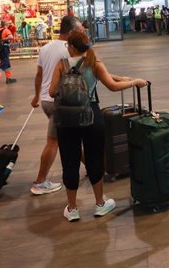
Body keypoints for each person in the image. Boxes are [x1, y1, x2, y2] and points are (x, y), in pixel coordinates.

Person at [48, 31, 147, 222]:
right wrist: (133, 82)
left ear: (71, 46)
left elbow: (52, 92)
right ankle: (100, 204)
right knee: (94, 159)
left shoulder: (62, 64)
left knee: (70, 161)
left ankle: (72, 208)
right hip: (91, 116)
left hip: (66, 120)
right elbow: (111, 85)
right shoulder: (94, 62)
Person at [30, 16, 84, 195]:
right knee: (54, 141)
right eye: (79, 30)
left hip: (46, 101)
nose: (81, 33)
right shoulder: (69, 50)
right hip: (60, 102)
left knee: (71, 135)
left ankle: (95, 167)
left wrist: (37, 96)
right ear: (70, 32)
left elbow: (39, 75)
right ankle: (39, 182)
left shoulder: (45, 48)